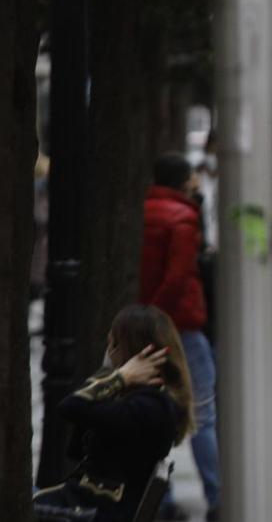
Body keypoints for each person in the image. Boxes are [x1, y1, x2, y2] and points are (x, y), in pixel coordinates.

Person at [39, 305, 195, 522]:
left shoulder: (149, 407)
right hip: (86, 503)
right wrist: (111, 376)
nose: (109, 351)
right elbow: (76, 449)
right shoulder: (143, 401)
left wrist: (119, 377)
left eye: (113, 344)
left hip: (94, 512)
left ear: (132, 352)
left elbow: (69, 406)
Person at [140, 154, 220, 521]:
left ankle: (161, 498)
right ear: (184, 180)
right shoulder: (183, 217)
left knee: (153, 415)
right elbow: (177, 276)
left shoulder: (145, 210)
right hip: (181, 325)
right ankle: (218, 496)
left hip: (149, 324)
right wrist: (158, 317)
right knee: (203, 415)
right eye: (191, 178)